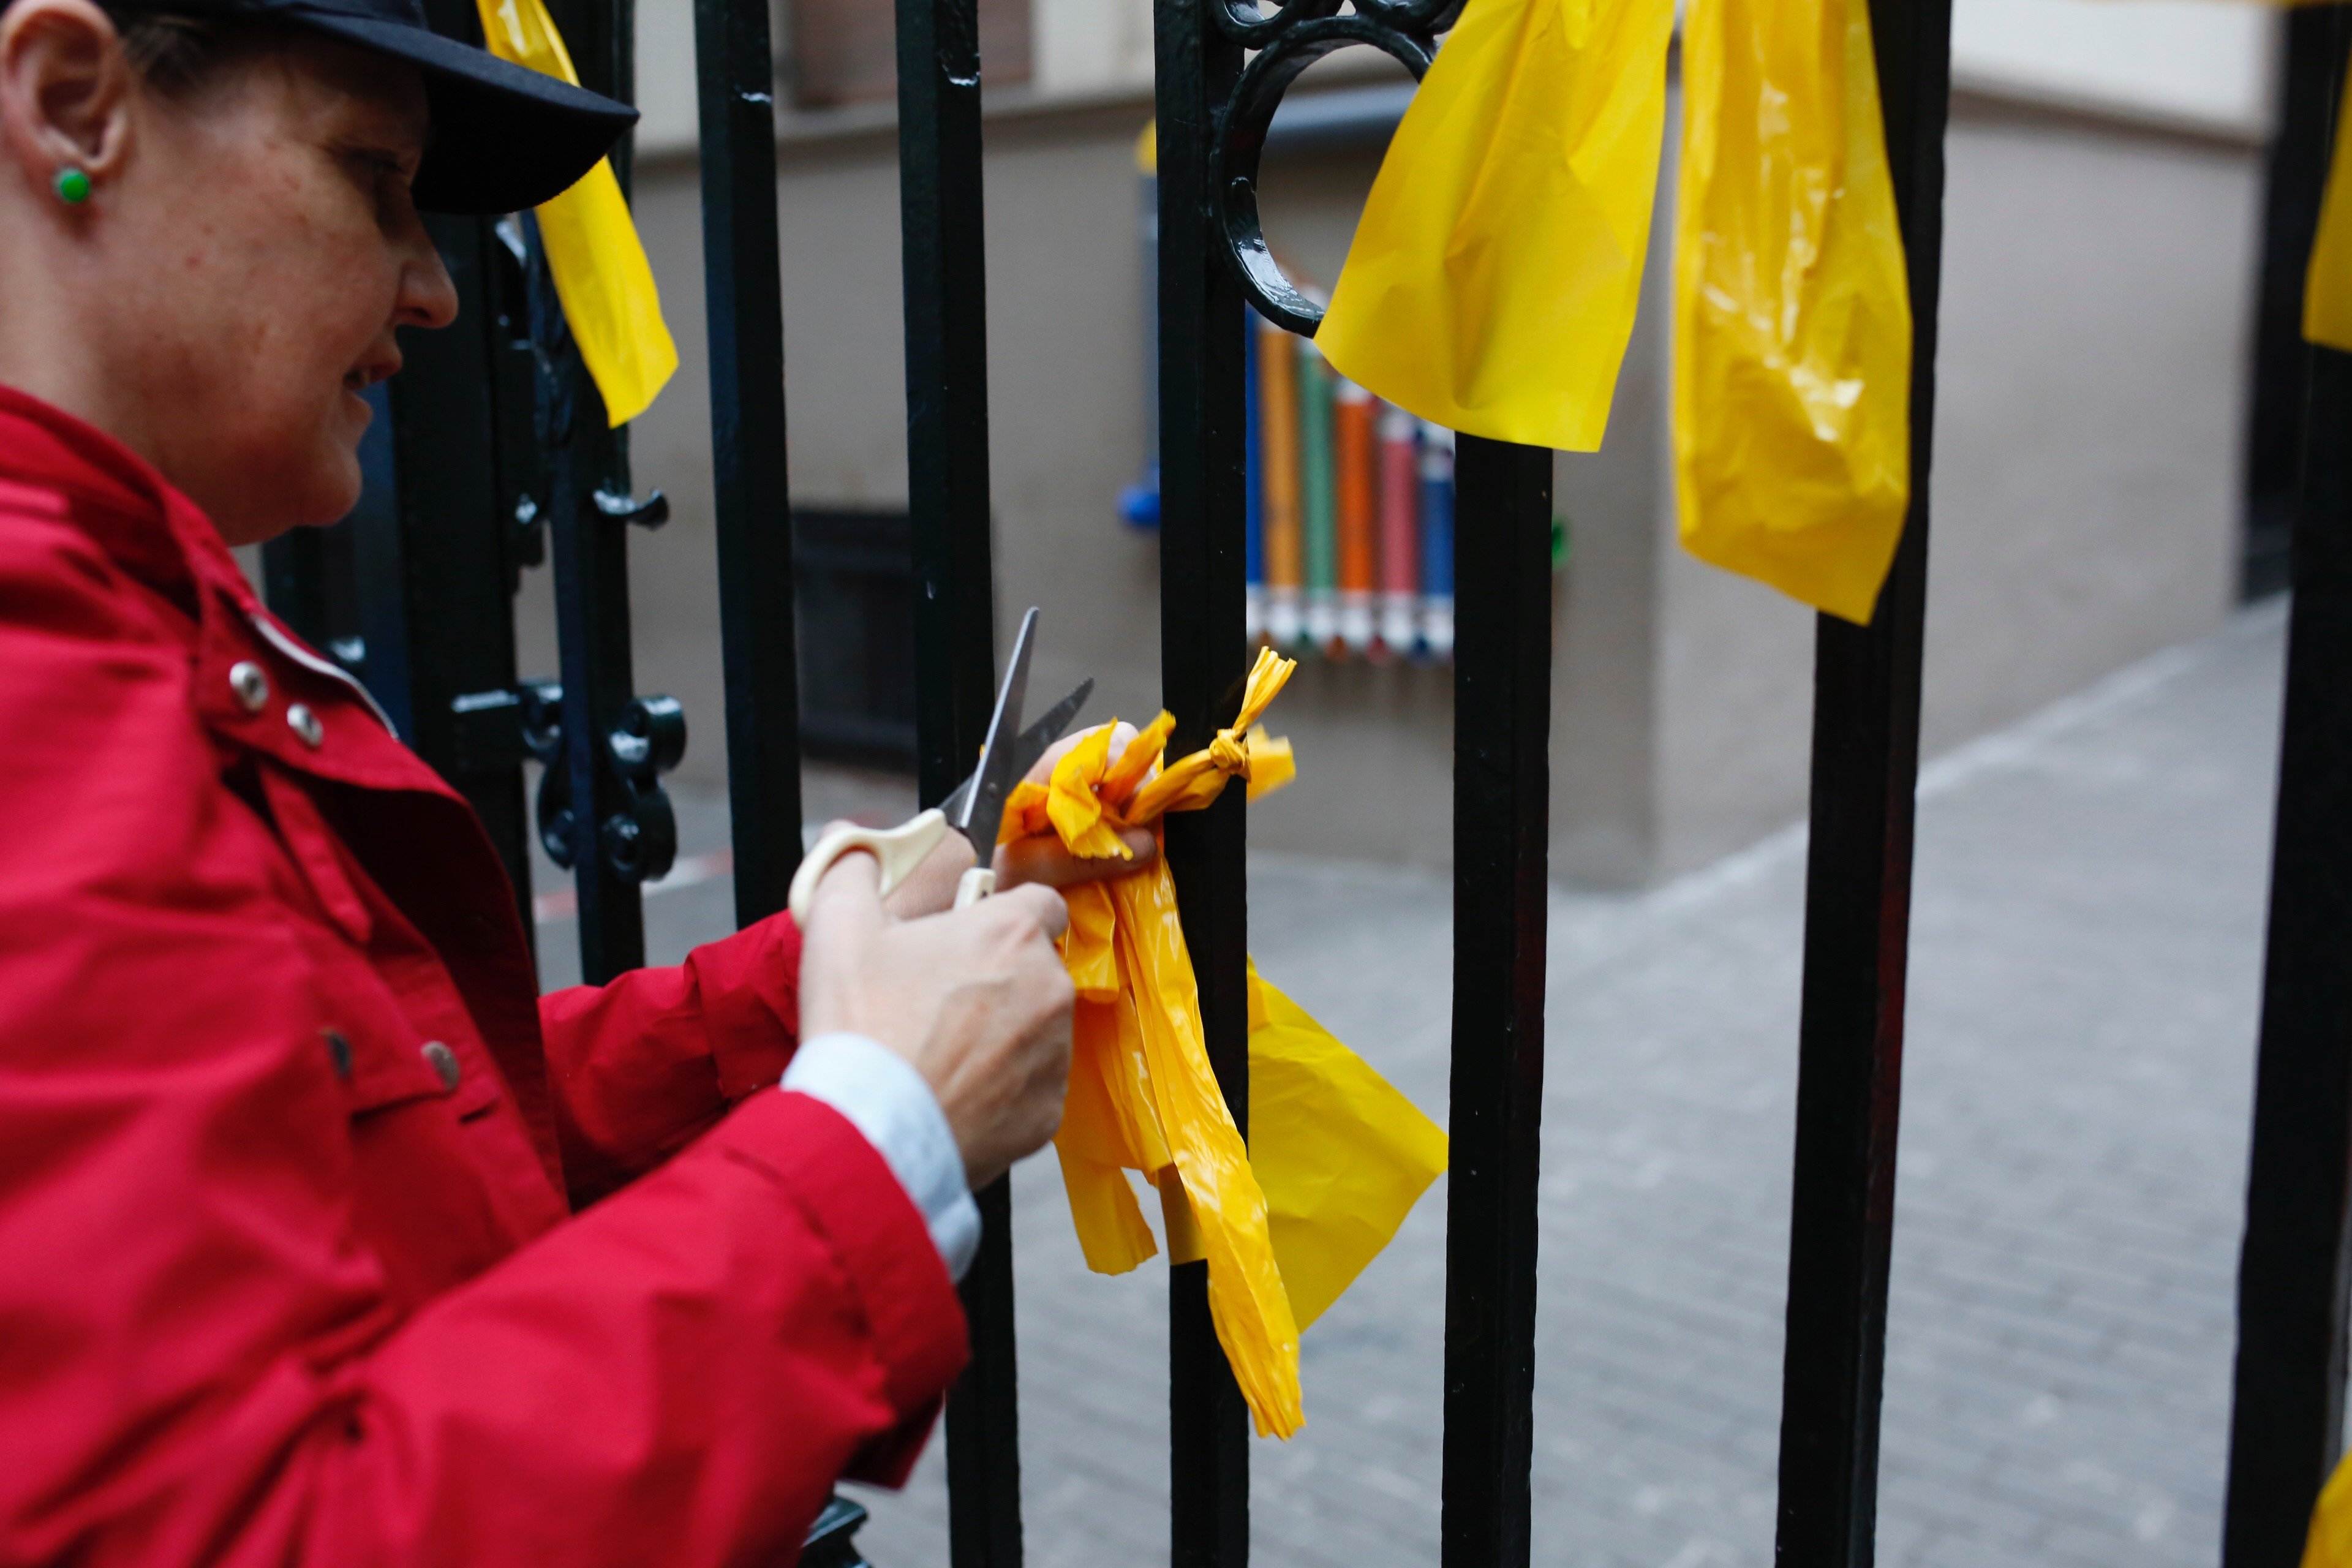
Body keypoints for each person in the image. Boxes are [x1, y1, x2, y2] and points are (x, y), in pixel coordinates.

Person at [0, 0, 1153, 1559]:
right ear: (72, 106)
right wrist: (884, 1126)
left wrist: (819, 981)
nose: (434, 290)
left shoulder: (124, 604)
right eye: (373, 176)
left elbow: (413, 1123)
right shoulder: (39, 671)